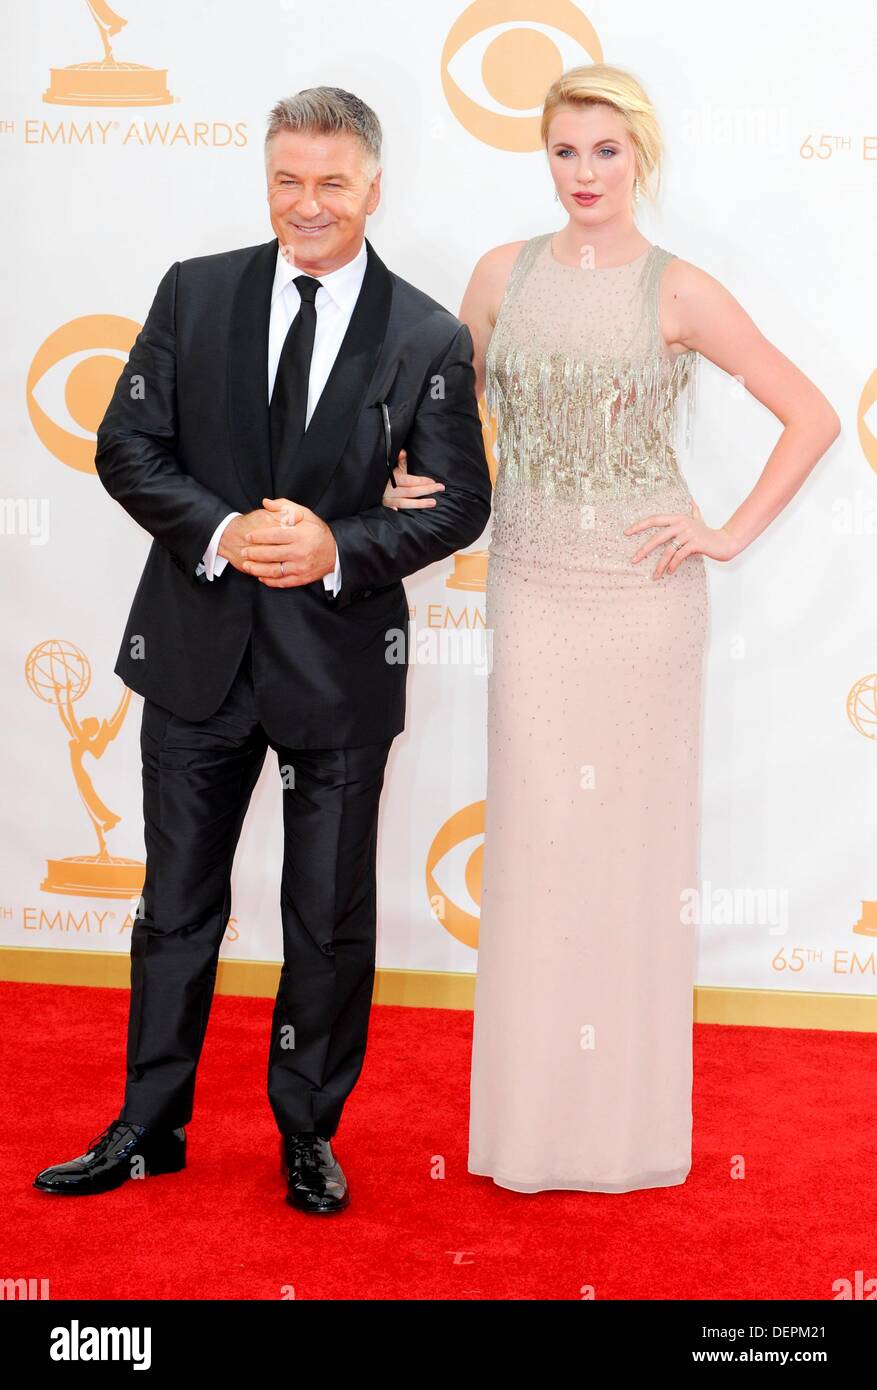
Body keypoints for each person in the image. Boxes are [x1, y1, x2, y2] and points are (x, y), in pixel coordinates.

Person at [33, 86, 492, 1213]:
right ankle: (149, 1126)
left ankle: (306, 1130)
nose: (307, 203)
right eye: (287, 178)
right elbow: (127, 446)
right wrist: (229, 531)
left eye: (332, 182)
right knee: (174, 901)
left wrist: (337, 543)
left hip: (335, 664)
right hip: (197, 653)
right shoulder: (195, 293)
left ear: (373, 187)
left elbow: (460, 505)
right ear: (267, 177)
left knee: (326, 916)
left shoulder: (426, 333)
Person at [384, 64, 840, 1193]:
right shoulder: (500, 274)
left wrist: (725, 532)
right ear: (541, 157)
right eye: (563, 151)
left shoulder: (678, 290)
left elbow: (812, 411)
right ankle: (531, 1134)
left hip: (643, 603)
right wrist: (407, 480)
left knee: (630, 860)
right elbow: (453, 413)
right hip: (533, 586)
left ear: (639, 156)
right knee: (538, 851)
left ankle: (625, 1131)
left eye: (604, 151)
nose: (583, 173)